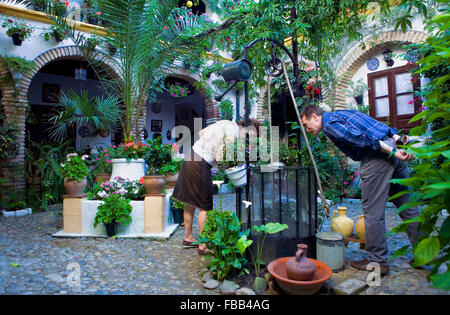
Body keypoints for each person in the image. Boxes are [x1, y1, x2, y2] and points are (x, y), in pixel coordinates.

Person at [300, 105, 419, 275]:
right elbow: (379, 127)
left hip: (379, 156)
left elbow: (365, 140)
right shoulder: (343, 113)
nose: (307, 129)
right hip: (392, 148)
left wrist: (393, 152)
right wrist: (397, 140)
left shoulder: (329, 124)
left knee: (372, 212)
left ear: (315, 116)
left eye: (306, 124)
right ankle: (424, 253)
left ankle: (377, 261)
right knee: (407, 206)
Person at [172, 119, 260, 255]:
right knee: (205, 207)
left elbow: (202, 132)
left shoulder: (224, 123)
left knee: (190, 202)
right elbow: (220, 157)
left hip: (190, 156)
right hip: (201, 163)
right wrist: (232, 166)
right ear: (245, 128)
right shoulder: (234, 131)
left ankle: (188, 238)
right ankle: (203, 245)